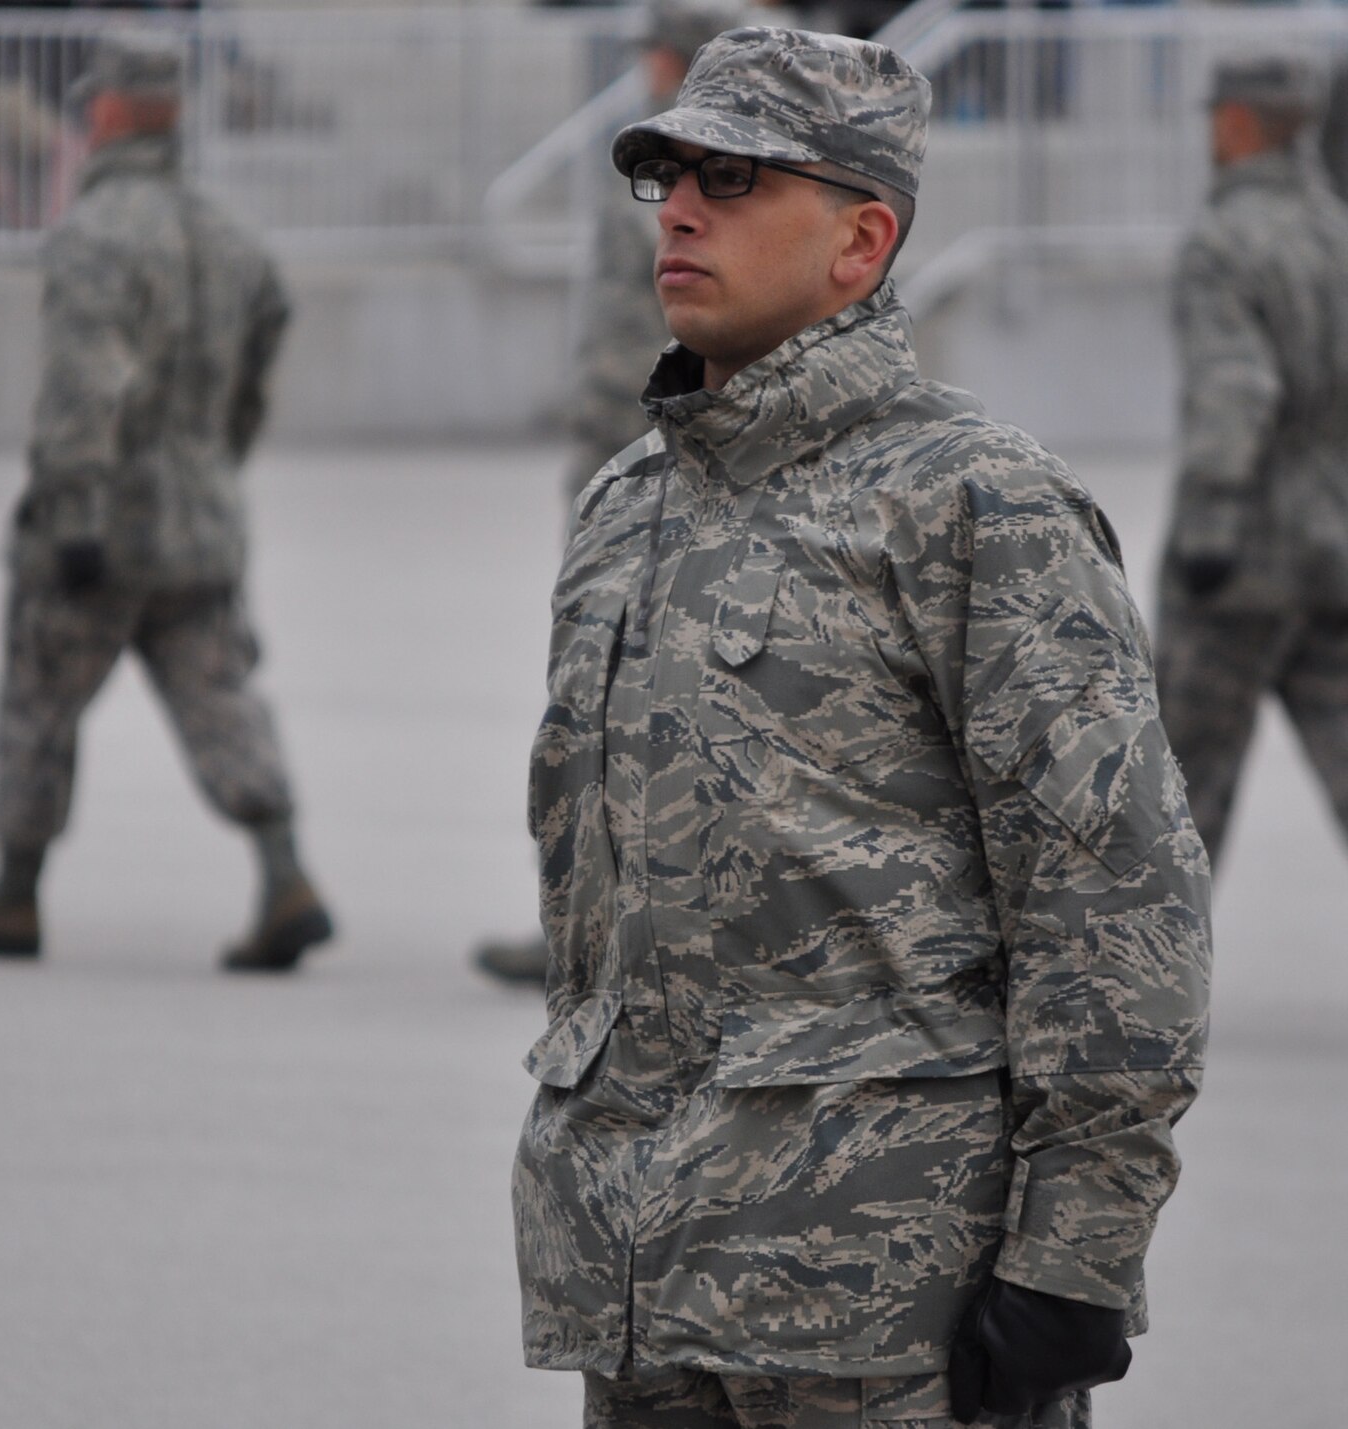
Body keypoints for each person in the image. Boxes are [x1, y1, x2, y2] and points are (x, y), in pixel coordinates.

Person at [511, 28, 1211, 1429]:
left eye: (735, 176)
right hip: (642, 1294)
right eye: (668, 174)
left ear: (861, 238)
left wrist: (1075, 1257)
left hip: (887, 1312)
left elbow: (1115, 900)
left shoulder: (975, 503)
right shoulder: (625, 509)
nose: (685, 207)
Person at [0, 33, 332, 973]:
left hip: (103, 524)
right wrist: (217, 472)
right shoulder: (233, 237)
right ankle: (285, 873)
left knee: (38, 699)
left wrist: (74, 509)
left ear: (102, 112)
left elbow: (81, 391)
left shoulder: (94, 234)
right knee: (220, 696)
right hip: (202, 518)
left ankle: (14, 891)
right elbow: (254, 384)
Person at [476, 0, 745, 989]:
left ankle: (592, 930)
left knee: (606, 699)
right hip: (629, 454)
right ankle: (601, 920)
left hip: (644, 461)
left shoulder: (694, 171)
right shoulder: (687, 161)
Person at [1154, 57, 1348, 871]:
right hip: (1335, 548)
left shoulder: (1222, 240)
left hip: (1240, 565)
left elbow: (1238, 387)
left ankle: (1144, 993)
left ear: (1234, 123)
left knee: (1177, 806)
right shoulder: (1338, 230)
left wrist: (1209, 532)